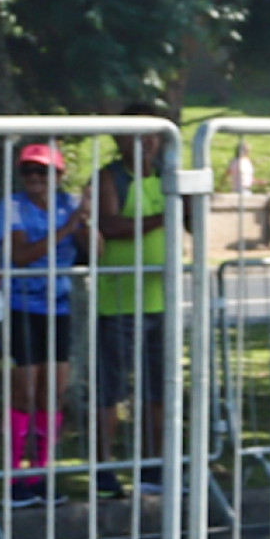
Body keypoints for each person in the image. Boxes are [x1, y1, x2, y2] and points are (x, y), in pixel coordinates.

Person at [92, 102, 184, 481]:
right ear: (119, 138)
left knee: (159, 388)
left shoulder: (169, 176)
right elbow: (110, 224)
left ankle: (153, 465)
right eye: (135, 134)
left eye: (151, 135)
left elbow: (193, 222)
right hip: (118, 302)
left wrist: (189, 203)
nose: (144, 143)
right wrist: (166, 214)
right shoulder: (110, 178)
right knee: (112, 389)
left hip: (162, 301)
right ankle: (104, 468)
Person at [0, 140, 86, 493]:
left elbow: (96, 250)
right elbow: (20, 254)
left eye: (43, 171)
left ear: (58, 176)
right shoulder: (12, 206)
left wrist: (86, 223)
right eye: (28, 171)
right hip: (22, 306)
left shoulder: (69, 204)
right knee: (25, 392)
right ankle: (16, 472)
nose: (34, 178)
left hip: (58, 307)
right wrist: (66, 228)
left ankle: (42, 472)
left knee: (54, 392)